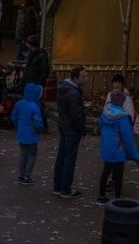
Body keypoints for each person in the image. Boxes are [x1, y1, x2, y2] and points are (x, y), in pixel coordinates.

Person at [97, 89, 139, 205]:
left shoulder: (104, 114)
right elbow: (127, 138)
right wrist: (132, 154)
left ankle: (101, 197)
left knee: (105, 172)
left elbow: (101, 128)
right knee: (118, 175)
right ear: (122, 102)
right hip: (118, 151)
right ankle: (117, 200)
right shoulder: (123, 118)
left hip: (107, 149)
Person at [53, 66, 87, 198]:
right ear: (75, 78)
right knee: (69, 159)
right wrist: (83, 129)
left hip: (64, 125)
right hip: (71, 128)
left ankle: (57, 187)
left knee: (62, 156)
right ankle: (65, 189)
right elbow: (76, 114)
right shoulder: (74, 93)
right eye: (83, 76)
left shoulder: (63, 88)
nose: (86, 79)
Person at [12, 82, 44, 185]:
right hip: (32, 135)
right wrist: (40, 129)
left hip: (21, 133)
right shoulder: (35, 106)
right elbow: (38, 123)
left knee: (23, 155)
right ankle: (26, 176)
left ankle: (22, 175)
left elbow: (14, 118)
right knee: (32, 155)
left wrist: (19, 125)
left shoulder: (19, 103)